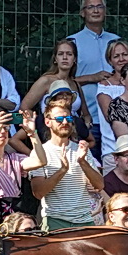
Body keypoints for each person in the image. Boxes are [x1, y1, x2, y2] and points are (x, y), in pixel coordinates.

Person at [29, 93, 103, 230]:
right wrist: (62, 170)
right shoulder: (40, 152)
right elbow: (38, 193)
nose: (64, 122)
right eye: (59, 119)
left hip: (85, 221)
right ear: (47, 122)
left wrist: (83, 162)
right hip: (55, 221)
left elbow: (99, 185)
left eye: (68, 118)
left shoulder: (81, 149)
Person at [0, 109, 47, 229]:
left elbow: (41, 161)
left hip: (14, 216)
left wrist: (33, 134)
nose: (2, 131)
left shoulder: (15, 158)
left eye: (6, 128)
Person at [66, 0, 119, 126]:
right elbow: (63, 82)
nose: (95, 10)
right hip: (86, 116)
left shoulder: (116, 41)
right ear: (82, 13)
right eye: (90, 7)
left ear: (105, 11)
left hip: (117, 116)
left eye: (99, 6)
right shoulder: (73, 42)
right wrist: (91, 78)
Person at [18, 39, 81, 115]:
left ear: (74, 59)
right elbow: (24, 108)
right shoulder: (45, 80)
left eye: (69, 54)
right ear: (55, 59)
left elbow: (86, 114)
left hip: (73, 125)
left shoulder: (75, 83)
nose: (65, 57)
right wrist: (38, 122)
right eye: (60, 54)